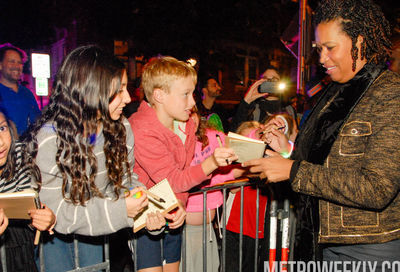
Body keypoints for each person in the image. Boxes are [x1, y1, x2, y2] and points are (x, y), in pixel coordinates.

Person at [243, 0, 400, 269]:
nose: (322, 58)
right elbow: (326, 162)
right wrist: (287, 150)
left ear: (359, 42)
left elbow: (378, 188)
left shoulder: (390, 94)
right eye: (318, 49)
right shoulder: (334, 92)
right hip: (324, 241)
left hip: (369, 248)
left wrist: (292, 170)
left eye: (330, 48)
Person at [22, 45, 165, 271]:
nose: (128, 98)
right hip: (56, 245)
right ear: (91, 90)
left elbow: (125, 181)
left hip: (98, 238)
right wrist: (121, 211)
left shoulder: (121, 128)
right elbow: (54, 208)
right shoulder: (51, 139)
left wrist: (148, 210)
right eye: (119, 90)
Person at [129, 56, 237, 272]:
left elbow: (182, 179)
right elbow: (175, 179)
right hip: (146, 220)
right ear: (159, 95)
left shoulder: (185, 127)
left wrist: (179, 204)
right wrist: (212, 162)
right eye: (185, 95)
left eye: (193, 94)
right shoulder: (141, 128)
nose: (192, 102)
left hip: (172, 217)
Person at [184, 109, 243, 272]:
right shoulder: (176, 142)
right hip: (183, 230)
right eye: (185, 116)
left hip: (208, 228)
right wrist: (227, 175)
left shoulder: (213, 136)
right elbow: (188, 180)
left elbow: (239, 153)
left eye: (192, 113)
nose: (190, 119)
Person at [0, 109, 55, 272]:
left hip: (21, 254)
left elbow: (28, 205)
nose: (1, 142)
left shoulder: (20, 153)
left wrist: (45, 218)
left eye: (1, 128)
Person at [225, 121, 269, 272]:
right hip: (234, 224)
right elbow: (233, 188)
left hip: (256, 224)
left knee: (250, 266)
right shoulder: (232, 164)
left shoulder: (268, 158)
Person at [230, 67, 290, 132]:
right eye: (265, 79)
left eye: (274, 80)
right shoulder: (252, 109)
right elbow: (236, 132)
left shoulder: (289, 110)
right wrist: (246, 102)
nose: (269, 83)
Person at [0, 43, 41, 135]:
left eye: (20, 63)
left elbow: (38, 121)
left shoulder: (27, 93)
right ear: (1, 65)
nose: (17, 66)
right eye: (12, 61)